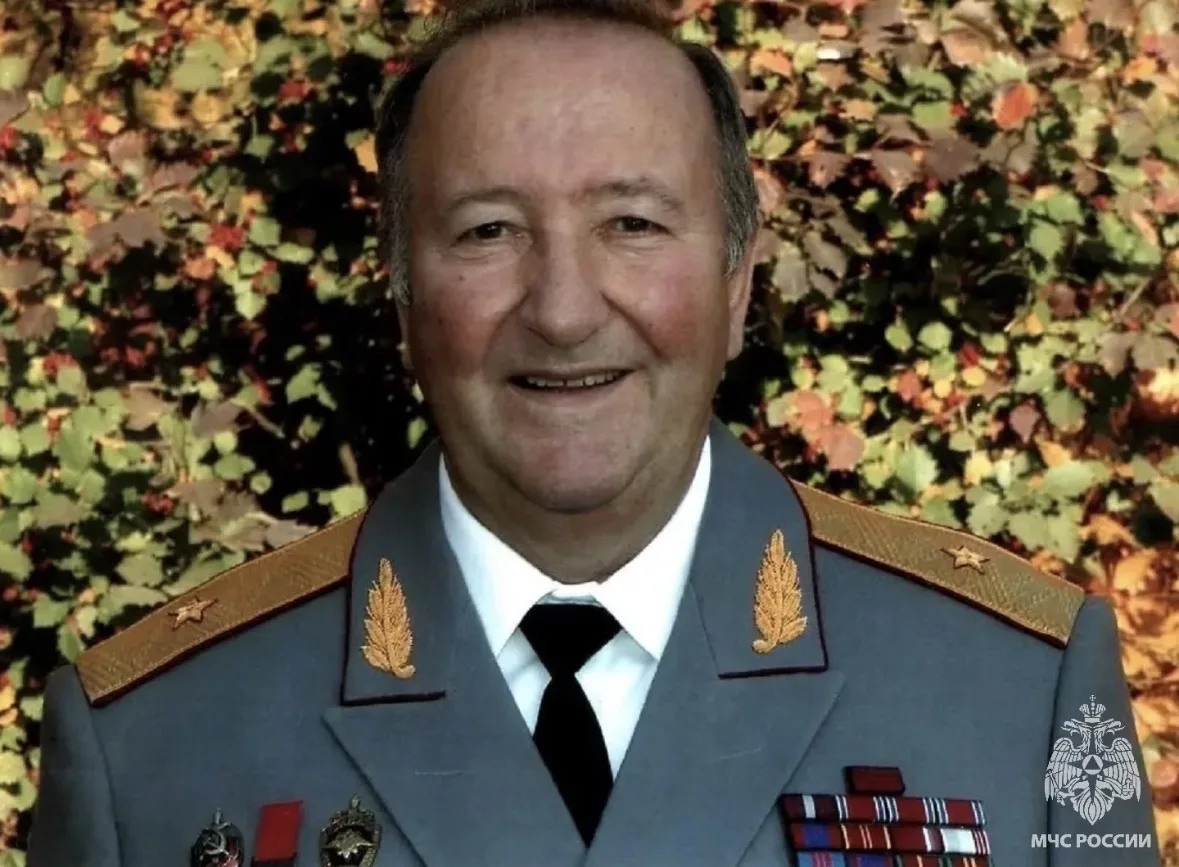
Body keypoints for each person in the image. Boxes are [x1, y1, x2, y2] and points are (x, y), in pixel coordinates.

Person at [28, 0, 1161, 864]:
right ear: (402, 294)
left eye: (632, 222)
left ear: (736, 283)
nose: (564, 310)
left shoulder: (1018, 688)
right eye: (487, 231)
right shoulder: (154, 739)